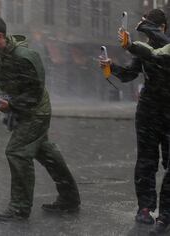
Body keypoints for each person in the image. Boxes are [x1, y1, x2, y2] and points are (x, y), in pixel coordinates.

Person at [0, 15, 80, 221]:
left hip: (36, 111)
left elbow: (35, 92)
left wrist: (11, 104)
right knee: (46, 153)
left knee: (17, 152)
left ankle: (20, 208)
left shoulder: (25, 56)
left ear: (0, 36)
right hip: (20, 110)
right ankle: (70, 199)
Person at [99, 9, 170, 232]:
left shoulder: (166, 48)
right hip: (149, 111)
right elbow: (129, 74)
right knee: (146, 161)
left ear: (163, 28)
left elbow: (160, 51)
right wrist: (111, 67)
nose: (149, 37)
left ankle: (166, 211)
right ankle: (145, 208)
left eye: (152, 30)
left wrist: (141, 28)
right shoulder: (143, 50)